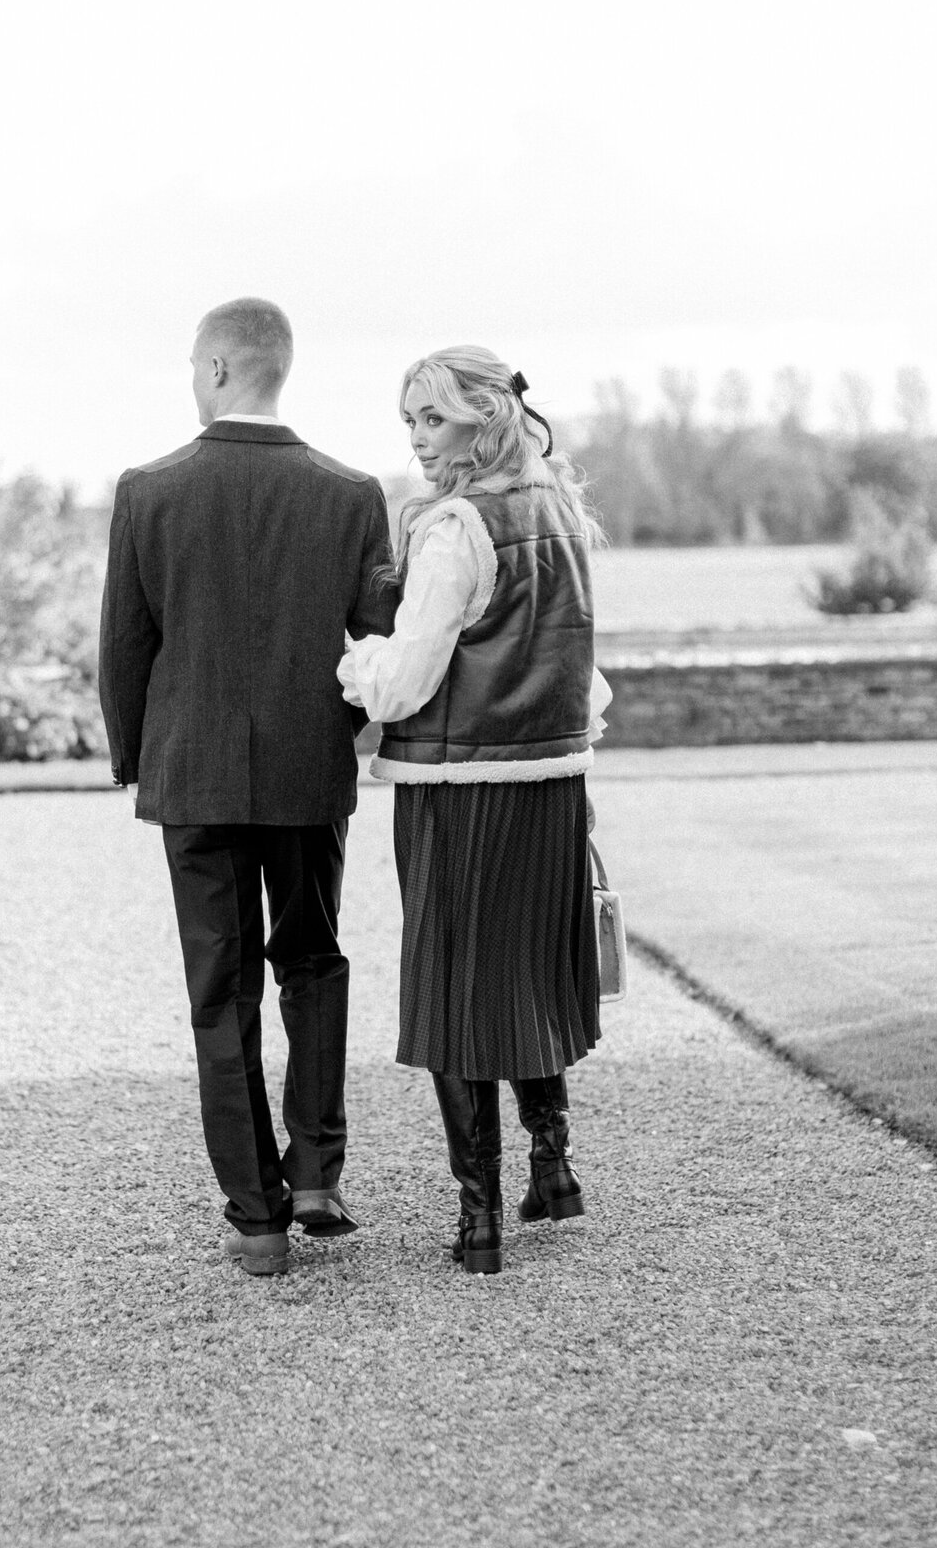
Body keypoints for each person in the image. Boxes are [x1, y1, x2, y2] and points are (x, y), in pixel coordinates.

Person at [99, 298, 396, 1277]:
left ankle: (257, 1218)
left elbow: (125, 651)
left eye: (195, 364)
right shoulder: (353, 495)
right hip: (309, 773)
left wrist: (145, 761)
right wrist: (339, 734)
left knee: (218, 994)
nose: (192, 378)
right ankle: (316, 1171)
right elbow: (378, 644)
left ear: (223, 368)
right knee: (312, 962)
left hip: (195, 776)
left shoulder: (148, 490)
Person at [338, 345, 608, 1275]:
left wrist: (351, 664)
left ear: (484, 417)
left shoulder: (456, 526)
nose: (416, 438)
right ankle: (553, 1167)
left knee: (455, 991)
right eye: (408, 419)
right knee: (530, 971)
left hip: (462, 791)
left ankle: (478, 1217)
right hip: (553, 781)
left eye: (434, 419)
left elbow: (404, 682)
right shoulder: (561, 509)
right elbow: (586, 672)